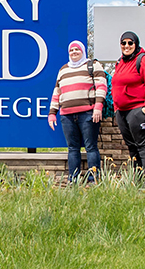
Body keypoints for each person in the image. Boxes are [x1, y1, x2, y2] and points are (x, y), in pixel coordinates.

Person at [48, 40, 107, 183]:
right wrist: (52, 113)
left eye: (77, 50)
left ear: (83, 51)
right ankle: (73, 179)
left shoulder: (92, 65)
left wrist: (98, 107)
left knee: (91, 147)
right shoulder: (63, 70)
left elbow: (101, 86)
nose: (74, 52)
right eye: (71, 50)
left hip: (87, 113)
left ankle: (93, 179)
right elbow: (57, 92)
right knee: (72, 148)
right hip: (66, 115)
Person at [112, 31, 145, 183]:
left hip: (139, 109)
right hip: (123, 111)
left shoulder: (143, 60)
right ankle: (138, 178)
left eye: (130, 43)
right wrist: (116, 108)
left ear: (135, 44)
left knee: (144, 145)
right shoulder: (120, 62)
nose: (126, 46)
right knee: (132, 146)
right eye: (123, 43)